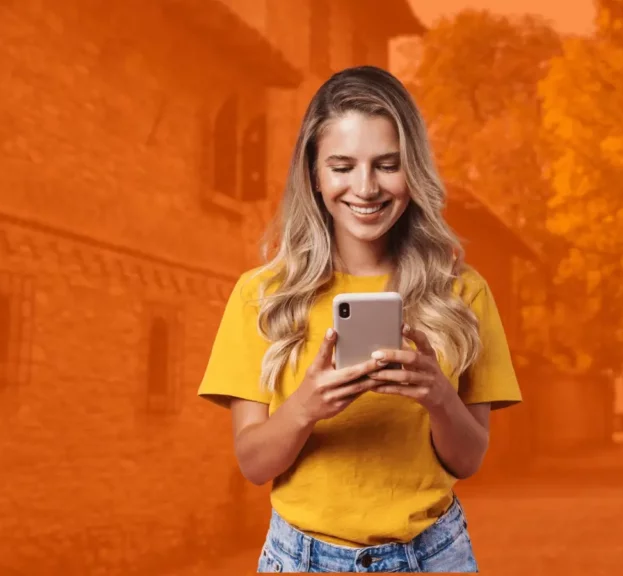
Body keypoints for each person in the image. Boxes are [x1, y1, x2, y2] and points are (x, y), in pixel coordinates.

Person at [198, 65, 522, 573]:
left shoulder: (462, 293)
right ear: (314, 173)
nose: (366, 187)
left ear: (413, 170)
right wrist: (306, 406)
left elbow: (469, 460)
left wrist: (437, 395)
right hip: (300, 559)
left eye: (387, 164)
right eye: (342, 165)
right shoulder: (261, 296)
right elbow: (254, 464)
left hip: (433, 556)